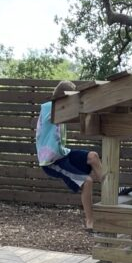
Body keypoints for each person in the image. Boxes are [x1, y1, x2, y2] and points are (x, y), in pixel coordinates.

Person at [35, 80, 107, 231]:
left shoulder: (61, 109)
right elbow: (71, 112)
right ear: (64, 97)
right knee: (87, 181)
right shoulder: (49, 107)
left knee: (93, 156)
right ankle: (90, 222)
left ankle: (112, 192)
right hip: (51, 161)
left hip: (62, 154)